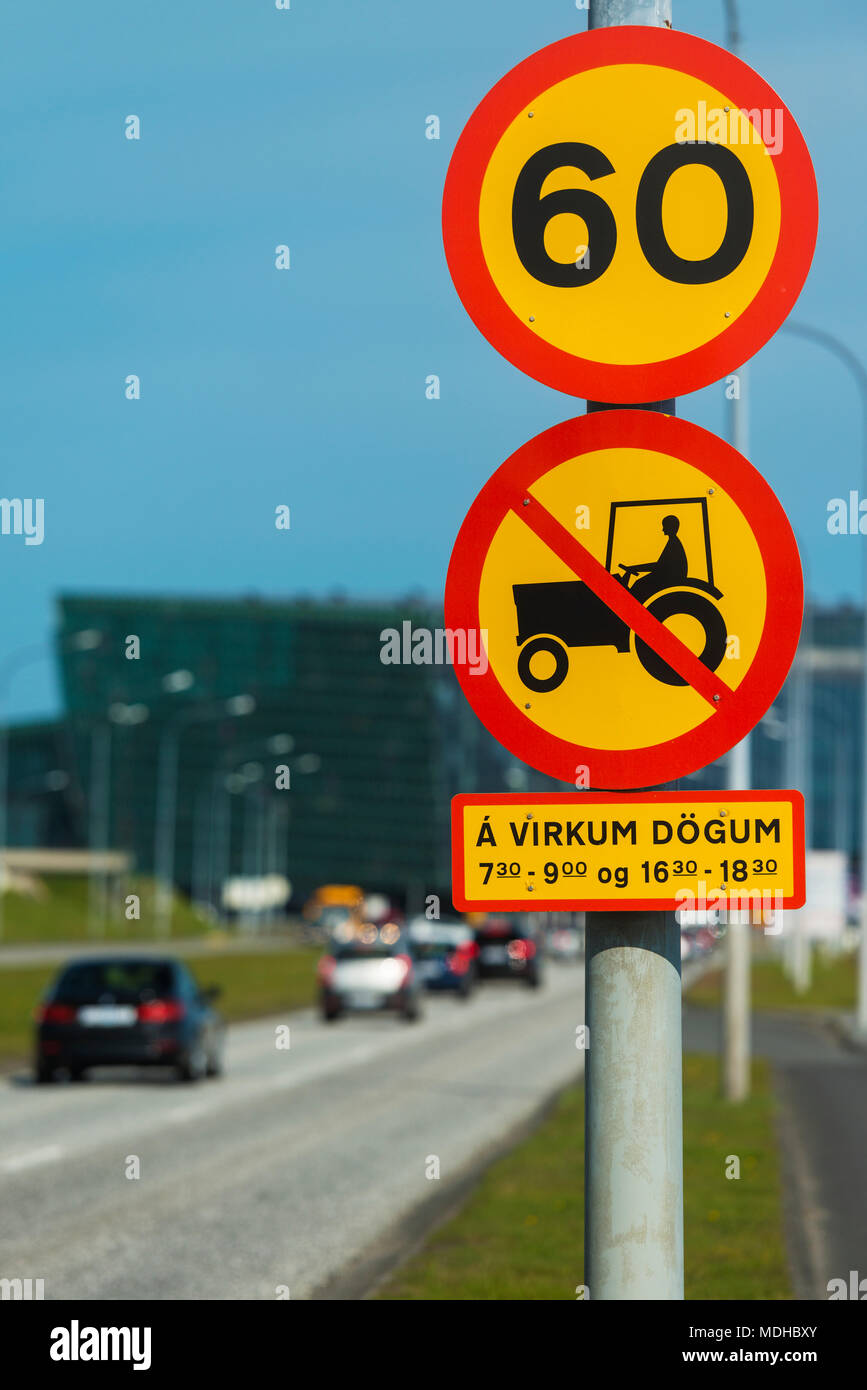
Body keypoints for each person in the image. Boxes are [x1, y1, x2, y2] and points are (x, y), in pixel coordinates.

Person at [620, 515, 687, 602]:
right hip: (666, 575)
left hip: (669, 578)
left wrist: (635, 568)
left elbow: (659, 566)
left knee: (639, 585)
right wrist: (635, 568)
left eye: (665, 526)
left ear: (671, 527)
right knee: (639, 584)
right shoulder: (673, 542)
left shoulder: (673, 544)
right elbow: (660, 565)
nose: (663, 529)